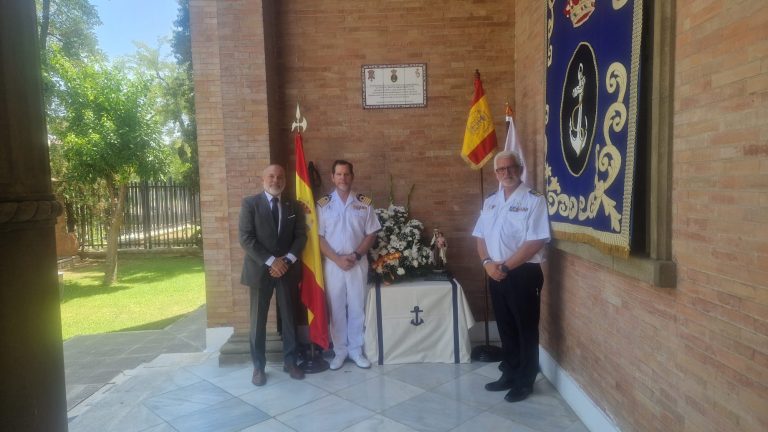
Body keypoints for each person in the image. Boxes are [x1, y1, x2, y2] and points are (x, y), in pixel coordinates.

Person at [472, 150, 550, 403]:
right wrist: (487, 264)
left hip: (522, 273)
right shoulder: (491, 200)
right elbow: (480, 236)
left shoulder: (534, 200)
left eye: (511, 167)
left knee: (525, 328)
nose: (506, 173)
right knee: (505, 326)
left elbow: (536, 240)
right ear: (495, 173)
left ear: (520, 168)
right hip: (494, 272)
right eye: (501, 169)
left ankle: (525, 381)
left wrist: (504, 267)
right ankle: (510, 372)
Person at [239, 164, 307, 386]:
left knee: (289, 318)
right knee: (258, 321)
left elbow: (300, 237)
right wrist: (271, 261)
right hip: (260, 270)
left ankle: (290, 361)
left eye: (279, 177)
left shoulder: (294, 206)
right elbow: (246, 238)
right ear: (263, 179)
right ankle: (258, 367)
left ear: (285, 181)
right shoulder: (250, 204)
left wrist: (286, 261)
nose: (275, 180)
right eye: (271, 176)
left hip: (286, 271)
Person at [317, 160, 381, 370]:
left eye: (346, 174)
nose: (342, 178)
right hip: (333, 265)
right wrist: (337, 259)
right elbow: (319, 237)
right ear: (332, 177)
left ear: (352, 176)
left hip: (357, 263)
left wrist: (355, 254)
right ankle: (340, 351)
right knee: (336, 308)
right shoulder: (323, 204)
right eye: (338, 174)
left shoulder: (364, 203)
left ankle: (356, 350)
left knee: (356, 306)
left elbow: (371, 233)